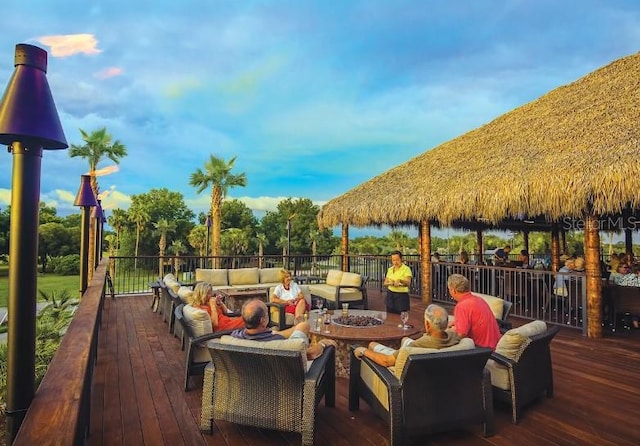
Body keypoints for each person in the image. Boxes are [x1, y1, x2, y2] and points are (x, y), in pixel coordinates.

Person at [353, 304, 459, 366]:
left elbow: (386, 361)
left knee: (372, 344)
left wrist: (362, 350)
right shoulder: (454, 337)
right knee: (405, 339)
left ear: (427, 324)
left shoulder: (416, 346)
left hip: (398, 369)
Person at [231, 299, 336, 360]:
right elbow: (310, 354)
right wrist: (322, 343)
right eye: (267, 314)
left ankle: (298, 327)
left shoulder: (234, 337)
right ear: (263, 321)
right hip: (286, 387)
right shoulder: (279, 344)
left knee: (301, 326)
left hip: (250, 383)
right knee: (304, 327)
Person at [447, 273, 501, 350]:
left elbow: (461, 334)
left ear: (453, 290)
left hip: (481, 351)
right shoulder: (479, 300)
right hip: (495, 346)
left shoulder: (462, 306)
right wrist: (453, 323)